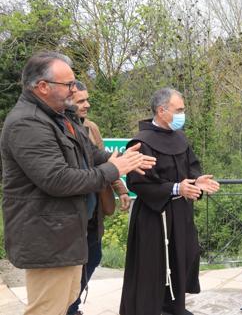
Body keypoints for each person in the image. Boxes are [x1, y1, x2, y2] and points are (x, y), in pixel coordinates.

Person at [0, 51, 156, 315]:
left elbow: (88, 155)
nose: (74, 89)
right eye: (68, 84)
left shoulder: (59, 116)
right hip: (48, 237)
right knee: (47, 309)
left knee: (66, 303)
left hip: (67, 232)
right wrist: (113, 169)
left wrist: (119, 159)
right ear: (42, 87)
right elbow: (57, 179)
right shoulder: (27, 123)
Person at [119, 88, 220, 315]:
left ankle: (175, 307)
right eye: (179, 110)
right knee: (153, 267)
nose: (183, 114)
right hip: (154, 217)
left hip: (181, 215)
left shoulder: (181, 138)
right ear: (162, 111)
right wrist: (176, 188)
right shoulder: (140, 143)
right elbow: (137, 183)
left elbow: (190, 172)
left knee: (181, 259)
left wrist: (196, 183)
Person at [65, 80, 133, 315]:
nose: (87, 105)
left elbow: (105, 160)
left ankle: (73, 305)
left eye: (87, 99)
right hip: (74, 210)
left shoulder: (91, 128)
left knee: (94, 257)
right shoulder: (60, 129)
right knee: (73, 265)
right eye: (81, 101)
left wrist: (121, 189)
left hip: (94, 208)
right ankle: (69, 308)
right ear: (67, 101)